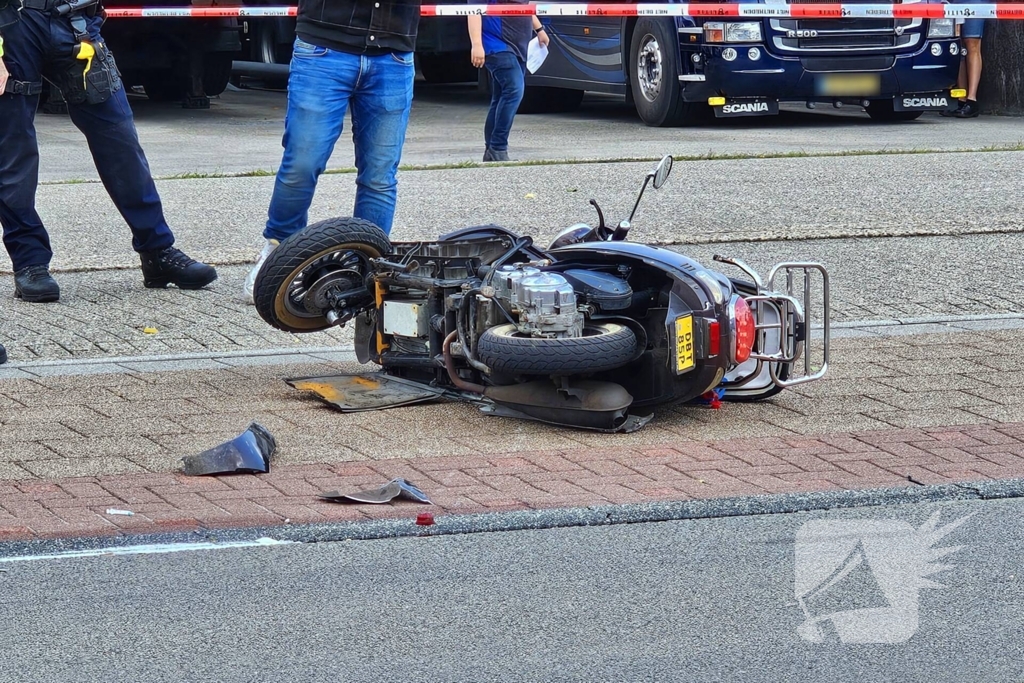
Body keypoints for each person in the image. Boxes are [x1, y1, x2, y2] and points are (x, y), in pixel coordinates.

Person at [0, 0, 217, 303]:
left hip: (74, 19)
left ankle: (157, 251)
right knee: (12, 151)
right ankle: (30, 262)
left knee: (119, 140)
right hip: (12, 23)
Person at [243, 0, 421, 304]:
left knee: (380, 174)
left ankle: (370, 267)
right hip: (324, 46)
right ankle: (278, 254)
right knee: (302, 162)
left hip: (393, 51)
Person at [468, 1, 549, 162]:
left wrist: (539, 29)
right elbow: (473, 10)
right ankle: (498, 147)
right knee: (514, 91)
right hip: (496, 45)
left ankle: (492, 150)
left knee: (500, 97)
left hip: (518, 47)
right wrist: (476, 45)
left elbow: (524, 5)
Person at [944, 16, 985, 118]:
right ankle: (961, 98)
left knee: (972, 42)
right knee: (957, 44)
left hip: (974, 3)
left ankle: (972, 99)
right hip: (953, 3)